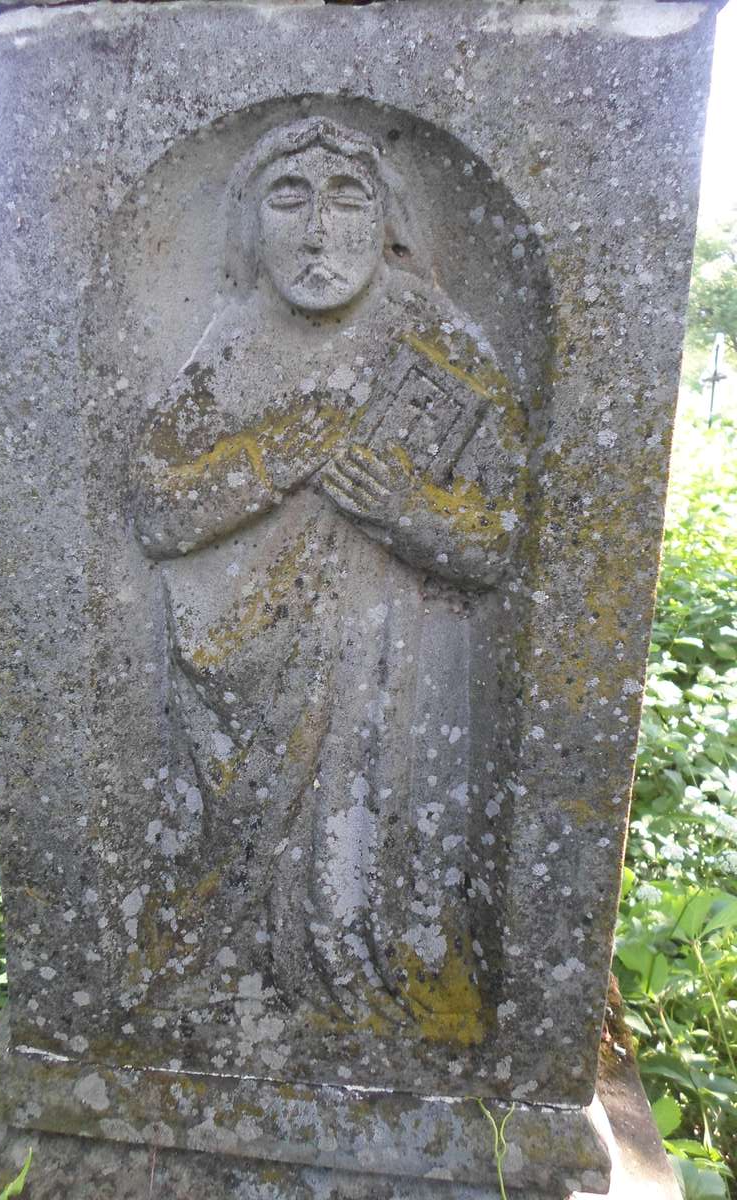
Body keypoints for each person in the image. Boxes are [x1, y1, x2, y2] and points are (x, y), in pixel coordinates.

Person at [133, 118, 528, 1040]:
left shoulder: (435, 338)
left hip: (397, 666)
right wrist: (267, 460)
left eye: (346, 198)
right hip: (249, 663)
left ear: (386, 220)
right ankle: (243, 974)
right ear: (250, 225)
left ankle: (387, 969)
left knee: (382, 856)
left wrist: (406, 509)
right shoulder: (234, 341)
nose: (317, 231)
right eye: (288, 199)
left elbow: (500, 541)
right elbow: (156, 509)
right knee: (237, 867)